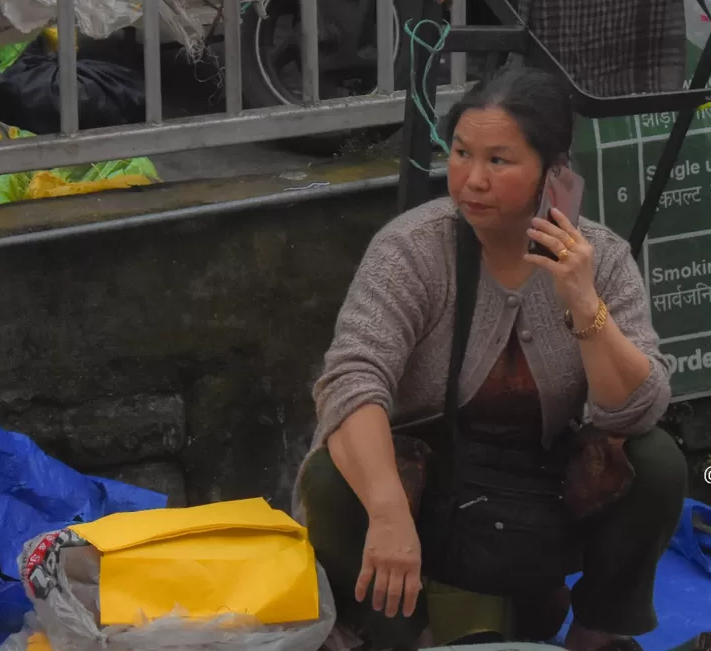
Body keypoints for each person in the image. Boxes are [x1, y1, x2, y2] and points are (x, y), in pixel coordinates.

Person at [294, 66, 687, 651]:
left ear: (553, 175)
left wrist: (584, 304)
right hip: (429, 480)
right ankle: (398, 637)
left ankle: (595, 635)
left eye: (499, 161)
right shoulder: (412, 248)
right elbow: (353, 378)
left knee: (657, 463)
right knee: (331, 477)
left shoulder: (599, 258)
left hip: (543, 481)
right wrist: (388, 512)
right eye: (460, 153)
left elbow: (636, 410)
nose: (471, 179)